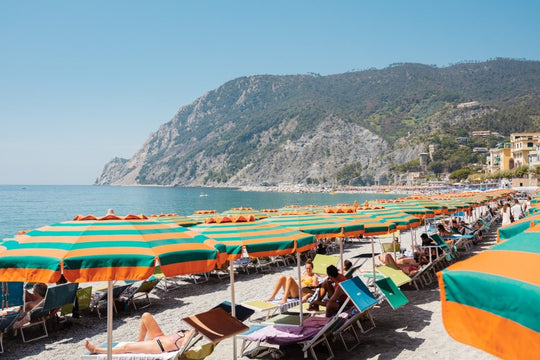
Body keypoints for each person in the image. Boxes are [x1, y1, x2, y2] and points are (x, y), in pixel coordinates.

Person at [85, 312, 194, 354]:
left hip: (158, 346)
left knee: (126, 347)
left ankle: (95, 350)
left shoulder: (190, 337)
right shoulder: (192, 330)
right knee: (146, 316)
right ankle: (139, 342)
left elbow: (183, 349)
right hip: (159, 337)